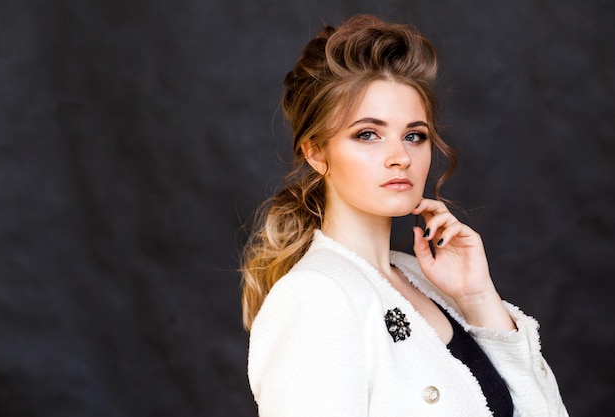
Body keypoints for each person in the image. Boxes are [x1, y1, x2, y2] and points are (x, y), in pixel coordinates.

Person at [241, 14, 568, 417]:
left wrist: (478, 298)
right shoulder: (316, 296)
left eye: (414, 135)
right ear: (316, 152)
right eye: (367, 134)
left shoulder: (419, 278)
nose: (400, 158)